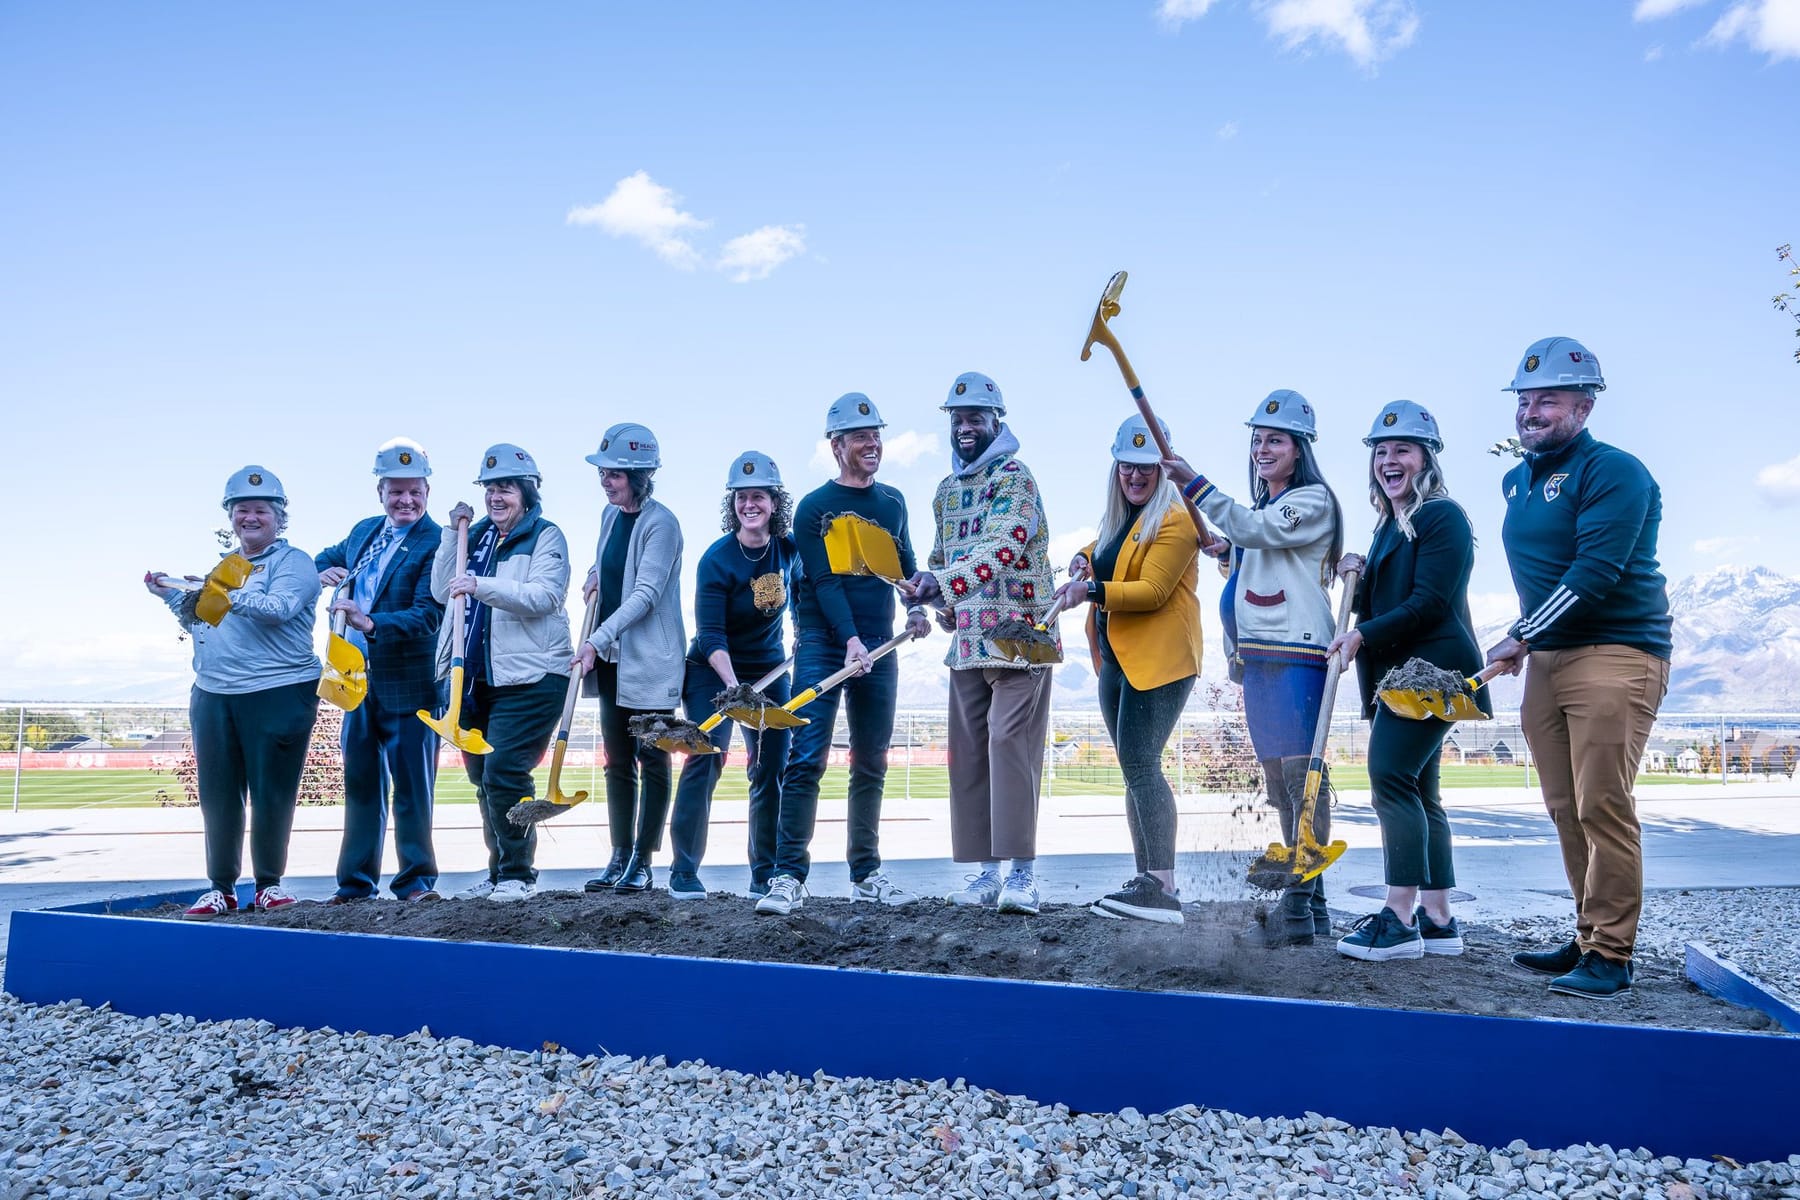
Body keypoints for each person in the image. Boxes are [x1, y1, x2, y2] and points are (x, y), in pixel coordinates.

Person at [1486, 337, 1672, 1000]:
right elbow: (1540, 577)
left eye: (1550, 400)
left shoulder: (1616, 472)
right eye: (1525, 399)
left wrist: (1517, 637)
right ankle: (1588, 933)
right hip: (1550, 657)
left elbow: (1593, 573)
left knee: (1603, 803)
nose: (1532, 410)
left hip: (1616, 650)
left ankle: (1613, 954)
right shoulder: (1519, 479)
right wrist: (1530, 641)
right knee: (1565, 806)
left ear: (1585, 406)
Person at [1162, 390, 1344, 946]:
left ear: (1300, 449)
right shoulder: (1262, 511)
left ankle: (1296, 907)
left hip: (1298, 655)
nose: (1263, 449)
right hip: (1258, 660)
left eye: (1276, 440)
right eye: (1259, 440)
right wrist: (1228, 551)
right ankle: (1310, 909)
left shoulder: (1311, 501)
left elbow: (1260, 533)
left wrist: (1194, 484)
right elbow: (1252, 543)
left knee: (1302, 781)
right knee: (1279, 786)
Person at [756, 393, 932, 916]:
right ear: (836, 446)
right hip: (824, 643)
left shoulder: (894, 501)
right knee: (806, 758)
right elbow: (826, 581)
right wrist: (850, 640)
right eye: (860, 436)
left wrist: (916, 606)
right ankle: (788, 876)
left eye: (876, 433)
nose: (872, 443)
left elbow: (905, 564)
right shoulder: (813, 508)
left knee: (871, 760)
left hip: (880, 643)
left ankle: (866, 873)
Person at [1327, 401, 1488, 961]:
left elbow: (1427, 604)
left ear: (1427, 459)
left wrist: (1361, 636)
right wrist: (1356, 572)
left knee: (1389, 777)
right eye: (1381, 452)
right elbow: (1387, 597)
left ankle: (1398, 918)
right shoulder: (1391, 526)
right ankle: (1438, 918)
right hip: (1407, 673)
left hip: (1431, 672)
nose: (1389, 461)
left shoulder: (1442, 516)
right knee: (1423, 791)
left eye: (1403, 450)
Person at [145, 466, 321, 919]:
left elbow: (278, 609)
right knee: (218, 794)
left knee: (272, 792)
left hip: (277, 690)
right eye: (241, 509)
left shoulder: (294, 563)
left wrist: (221, 592)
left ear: (280, 518)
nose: (250, 517)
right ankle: (219, 887)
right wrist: (171, 595)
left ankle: (269, 884)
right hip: (214, 692)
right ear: (230, 516)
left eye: (261, 509)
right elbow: (202, 620)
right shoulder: (225, 568)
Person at [911, 372, 1057, 916]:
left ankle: (1023, 873)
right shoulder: (946, 493)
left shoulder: (1014, 477)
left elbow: (1003, 546)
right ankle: (986, 874)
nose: (966, 427)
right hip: (968, 643)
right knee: (969, 755)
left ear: (997, 421)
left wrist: (943, 584)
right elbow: (940, 559)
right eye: (958, 418)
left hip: (1020, 641)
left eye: (976, 417)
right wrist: (930, 600)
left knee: (1007, 743)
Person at [1052, 415, 1202, 925]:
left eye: (1146, 468)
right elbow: (1105, 552)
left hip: (1159, 662)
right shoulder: (1123, 519)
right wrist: (1081, 559)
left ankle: (1162, 885)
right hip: (1116, 658)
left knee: (1142, 766)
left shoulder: (1177, 520)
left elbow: (1153, 591)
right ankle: (1147, 882)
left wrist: (1090, 590)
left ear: (1163, 469)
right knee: (1134, 771)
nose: (1135, 477)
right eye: (1126, 468)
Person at [435, 444, 572, 903]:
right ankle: (498, 874)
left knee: (505, 771)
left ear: (526, 493)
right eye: (490, 488)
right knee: (481, 779)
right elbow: (441, 590)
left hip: (532, 676)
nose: (496, 496)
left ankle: (518, 874)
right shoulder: (473, 538)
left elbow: (544, 596)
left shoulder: (545, 536)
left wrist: (482, 585)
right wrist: (450, 538)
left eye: (506, 488)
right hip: (475, 679)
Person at [315, 438, 445, 904]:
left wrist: (370, 622)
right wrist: (323, 572)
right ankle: (354, 884)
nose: (405, 501)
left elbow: (429, 614)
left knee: (412, 790)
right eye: (396, 492)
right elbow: (324, 559)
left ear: (428, 491)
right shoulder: (363, 532)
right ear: (380, 493)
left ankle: (415, 882)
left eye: (414, 492)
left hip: (410, 684)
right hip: (355, 681)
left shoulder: (438, 543)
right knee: (362, 786)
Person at [666, 451, 799, 899]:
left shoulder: (789, 550)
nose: (749, 505)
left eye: (758, 496)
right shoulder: (717, 559)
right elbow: (710, 634)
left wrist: (804, 632)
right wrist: (732, 687)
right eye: (741, 498)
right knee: (706, 757)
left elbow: (804, 592)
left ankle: (765, 872)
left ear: (774, 503)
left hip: (770, 667)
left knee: (770, 767)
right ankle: (683, 870)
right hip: (711, 670)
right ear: (733, 505)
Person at [577, 422, 685, 895]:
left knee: (651, 759)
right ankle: (619, 853)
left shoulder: (662, 524)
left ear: (640, 475)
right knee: (617, 761)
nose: (606, 480)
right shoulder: (609, 516)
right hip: (612, 661)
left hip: (650, 662)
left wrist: (596, 638)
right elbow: (613, 563)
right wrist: (594, 572)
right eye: (603, 472)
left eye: (616, 474)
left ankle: (643, 860)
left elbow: (645, 593)